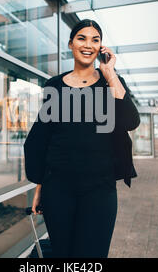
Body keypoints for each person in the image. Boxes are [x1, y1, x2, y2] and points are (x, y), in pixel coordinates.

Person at [24, 19, 140, 258]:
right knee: (62, 254)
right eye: (82, 38)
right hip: (58, 188)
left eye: (95, 40)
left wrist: (110, 74)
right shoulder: (54, 85)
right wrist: (39, 186)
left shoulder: (111, 83)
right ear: (71, 44)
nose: (88, 44)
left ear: (101, 48)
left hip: (99, 188)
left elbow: (130, 121)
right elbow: (43, 137)